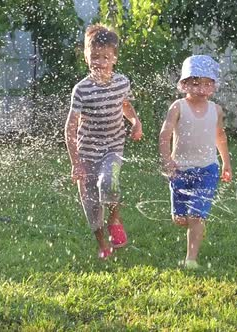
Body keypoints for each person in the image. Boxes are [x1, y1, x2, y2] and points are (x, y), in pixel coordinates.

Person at [64, 24, 143, 260]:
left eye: (105, 57)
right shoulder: (81, 90)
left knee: (109, 181)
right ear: (86, 57)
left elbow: (125, 105)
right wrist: (76, 162)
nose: (100, 62)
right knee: (91, 205)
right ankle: (102, 244)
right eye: (95, 57)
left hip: (113, 148)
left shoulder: (122, 83)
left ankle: (115, 218)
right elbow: (70, 126)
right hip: (87, 152)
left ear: (114, 58)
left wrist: (136, 122)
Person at [158, 55, 232, 269]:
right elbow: (165, 134)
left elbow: (220, 136)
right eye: (196, 83)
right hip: (180, 170)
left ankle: (191, 259)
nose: (201, 88)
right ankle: (187, 220)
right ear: (185, 84)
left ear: (213, 86)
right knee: (180, 218)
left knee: (196, 215)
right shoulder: (178, 106)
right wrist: (166, 160)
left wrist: (225, 162)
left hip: (208, 169)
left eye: (207, 83)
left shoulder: (216, 110)